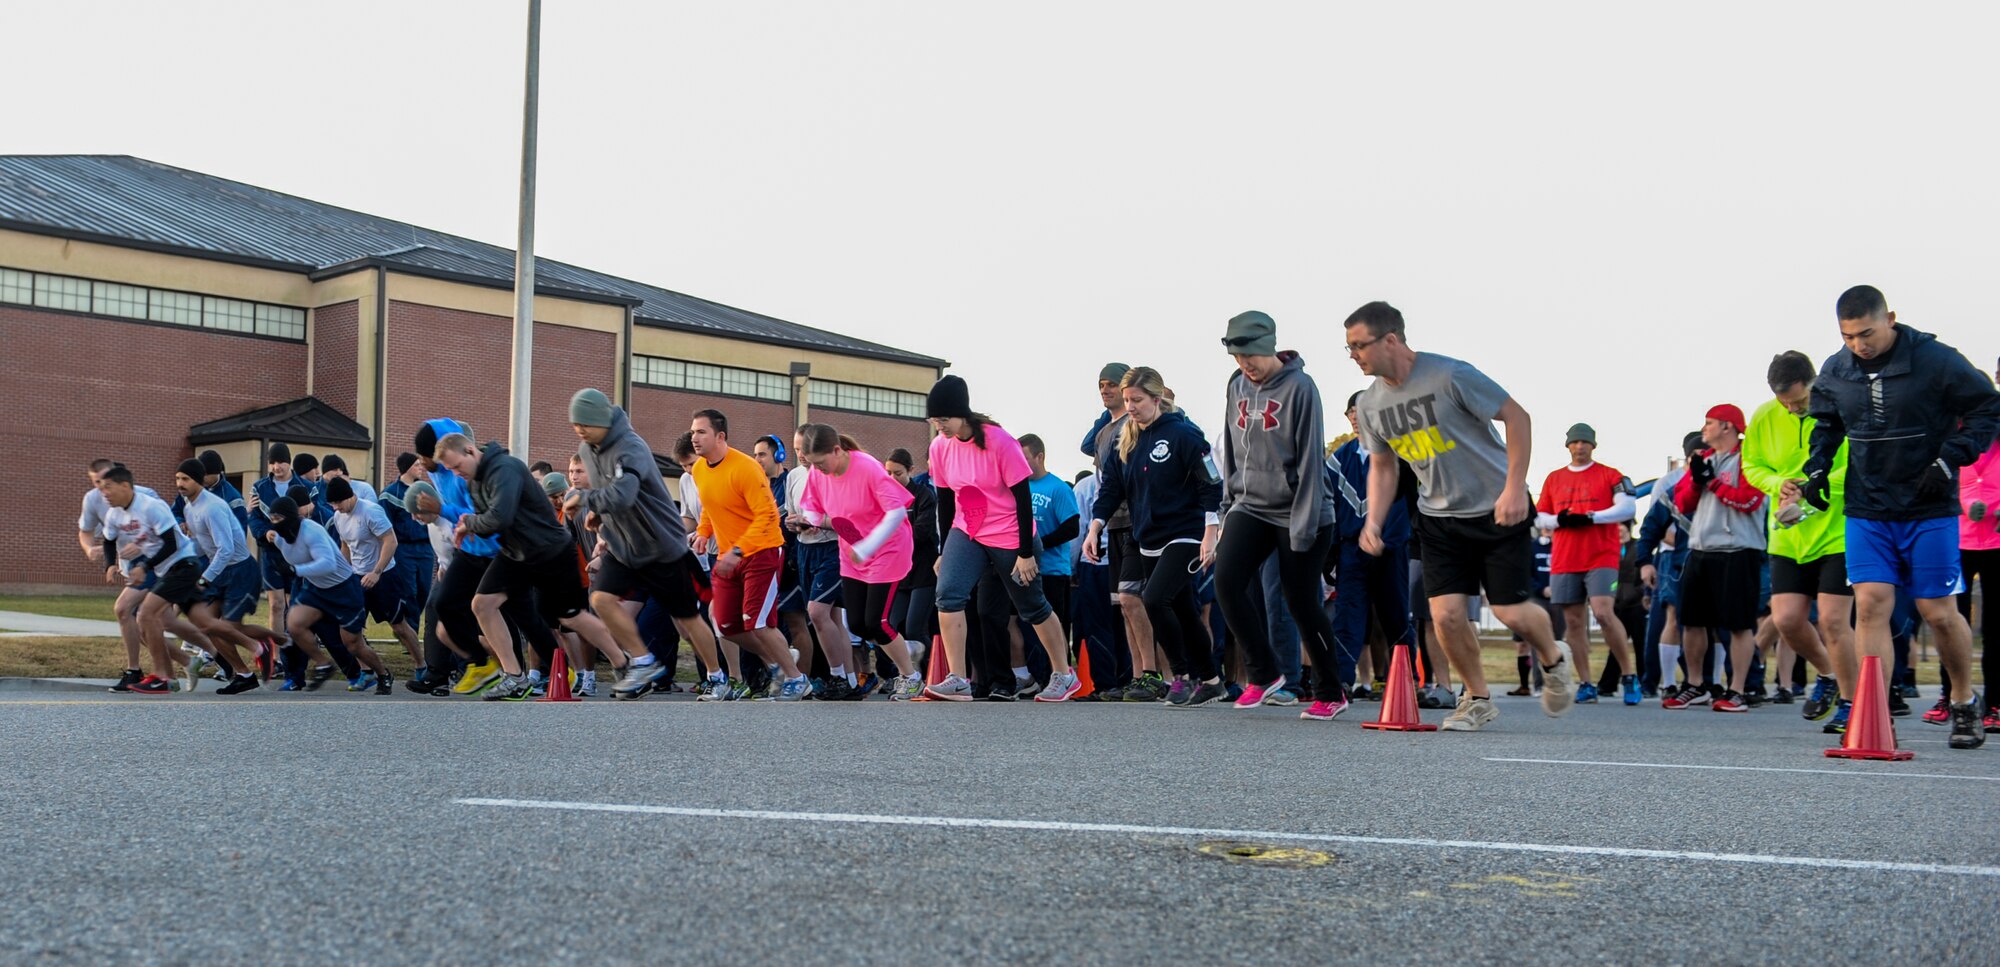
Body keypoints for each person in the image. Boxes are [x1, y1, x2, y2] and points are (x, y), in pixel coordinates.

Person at [1345, 301, 1575, 731]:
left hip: (1497, 509)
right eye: (1349, 349)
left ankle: (1554, 660)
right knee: (1446, 615)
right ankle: (1478, 698)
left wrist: (1514, 487)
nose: (1354, 355)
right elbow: (1383, 466)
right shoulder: (1372, 405)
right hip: (1438, 518)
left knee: (1511, 611)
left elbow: (1516, 417)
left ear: (1390, 339)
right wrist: (1372, 521)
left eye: (1359, 345)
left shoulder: (1450, 375)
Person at [1798, 285, 1999, 749]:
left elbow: (1988, 407)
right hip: (1868, 508)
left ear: (1889, 318)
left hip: (1928, 505)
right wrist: (1817, 467)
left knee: (1939, 613)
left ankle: (1965, 702)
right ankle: (1874, 711)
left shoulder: (1937, 360)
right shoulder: (1837, 369)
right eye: (1848, 337)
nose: (1858, 345)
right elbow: (1827, 424)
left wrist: (1952, 459)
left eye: (1866, 333)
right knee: (1869, 605)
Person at [1212, 310, 1351, 715]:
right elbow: (1233, 451)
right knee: (1227, 582)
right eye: (1237, 358)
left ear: (1268, 347)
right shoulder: (1236, 385)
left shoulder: (1301, 388)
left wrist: (1304, 528)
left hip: (1300, 511)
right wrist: (1227, 506)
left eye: (1250, 357)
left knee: (1301, 602)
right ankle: (1263, 674)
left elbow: (1311, 460)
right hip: (1251, 504)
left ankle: (1330, 692)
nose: (1245, 366)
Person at [920, 375, 1082, 701]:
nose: (940, 426)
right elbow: (946, 501)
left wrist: (1026, 552)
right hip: (966, 531)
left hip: (1010, 534)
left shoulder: (999, 441)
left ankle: (1064, 675)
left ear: (962, 413)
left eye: (945, 419)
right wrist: (943, 550)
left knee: (1032, 606)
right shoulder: (939, 447)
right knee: (948, 594)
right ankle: (958, 678)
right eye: (934, 420)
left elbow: (1022, 497)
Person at [1085, 367, 1235, 710]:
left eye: (1137, 400)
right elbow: (1111, 488)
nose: (1131, 407)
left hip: (1184, 534)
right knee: (1183, 609)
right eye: (1127, 401)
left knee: (1153, 599)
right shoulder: (1127, 439)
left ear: (1156, 399)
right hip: (1145, 536)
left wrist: (1211, 531)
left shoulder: (1184, 434)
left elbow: (1211, 483)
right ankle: (1212, 680)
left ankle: (1179, 677)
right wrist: (1095, 525)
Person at [564, 388, 726, 700]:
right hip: (624, 548)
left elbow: (624, 494)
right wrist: (598, 512)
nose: (580, 430)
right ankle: (641, 661)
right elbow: (607, 491)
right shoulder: (587, 450)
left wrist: (586, 500)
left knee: (687, 621)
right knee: (600, 599)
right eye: (575, 425)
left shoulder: (631, 447)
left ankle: (717, 676)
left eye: (585, 423)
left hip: (661, 547)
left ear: (602, 420)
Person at [437, 431, 616, 701]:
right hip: (516, 553)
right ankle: (515, 677)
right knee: (482, 604)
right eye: (449, 469)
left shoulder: (505, 468)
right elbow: (489, 522)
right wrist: (470, 526)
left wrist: (471, 523)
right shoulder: (475, 482)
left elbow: (500, 516)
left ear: (471, 452)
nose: (455, 473)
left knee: (569, 617)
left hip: (549, 551)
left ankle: (625, 663)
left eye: (457, 466)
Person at [1740, 351, 1852, 725]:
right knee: (1786, 620)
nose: (1792, 409)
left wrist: (1812, 486)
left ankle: (1853, 703)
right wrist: (1778, 484)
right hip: (1788, 534)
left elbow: (1857, 466)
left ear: (1814, 382)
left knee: (1834, 622)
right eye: (1784, 403)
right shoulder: (1763, 415)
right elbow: (1751, 465)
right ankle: (1829, 675)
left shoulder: (1841, 406)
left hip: (1837, 531)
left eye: (1800, 401)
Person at [792, 422, 926, 698]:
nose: (817, 470)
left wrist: (868, 547)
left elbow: (897, 513)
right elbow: (812, 506)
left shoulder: (867, 468)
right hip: (852, 551)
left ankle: (911, 676)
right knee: (857, 624)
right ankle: (906, 646)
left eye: (820, 463)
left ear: (837, 450)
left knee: (877, 622)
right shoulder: (819, 473)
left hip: (886, 548)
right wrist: (809, 521)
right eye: (812, 465)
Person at [687, 409, 812, 698]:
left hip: (762, 552)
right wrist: (704, 533)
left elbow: (768, 516)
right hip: (728, 558)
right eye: (693, 432)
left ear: (720, 436)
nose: (694, 438)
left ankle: (796, 679)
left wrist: (739, 550)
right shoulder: (699, 469)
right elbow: (710, 506)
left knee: (757, 623)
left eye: (701, 432)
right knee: (726, 625)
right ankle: (778, 661)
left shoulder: (745, 468)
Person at [1662, 405, 1766, 712]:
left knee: (1738, 625)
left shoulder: (1752, 458)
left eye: (1709, 423)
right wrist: (1696, 481)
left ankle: (1737, 690)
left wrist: (1713, 483)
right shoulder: (1703, 459)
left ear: (1727, 427)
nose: (1704, 428)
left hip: (1739, 550)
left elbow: (1749, 500)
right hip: (1701, 548)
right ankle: (1695, 684)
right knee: (1691, 622)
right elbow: (1682, 503)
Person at [1535, 422, 1641, 705]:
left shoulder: (1610, 475)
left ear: (1593, 446)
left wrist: (1591, 517)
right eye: (1575, 442)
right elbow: (1539, 516)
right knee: (1573, 621)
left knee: (1604, 612)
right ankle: (1585, 682)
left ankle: (1628, 675)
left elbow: (1627, 507)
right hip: (1566, 556)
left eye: (1585, 442)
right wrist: (1561, 520)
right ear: (1567, 446)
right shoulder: (1554, 478)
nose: (1580, 447)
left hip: (1601, 554)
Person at [1082, 361, 1163, 700]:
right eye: (1101, 385)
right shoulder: (1105, 431)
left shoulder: (1140, 426)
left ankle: (1156, 673)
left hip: (1139, 522)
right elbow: (1095, 459)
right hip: (1113, 523)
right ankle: (1136, 676)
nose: (1106, 390)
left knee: (1138, 599)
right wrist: (1095, 524)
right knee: (1122, 603)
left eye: (1112, 384)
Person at [260, 494, 390, 692]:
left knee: (353, 645)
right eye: (272, 520)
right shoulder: (279, 538)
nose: (274, 525)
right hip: (315, 589)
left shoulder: (312, 530)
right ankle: (323, 664)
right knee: (294, 624)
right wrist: (269, 536)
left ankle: (382, 673)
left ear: (290, 517)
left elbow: (328, 564)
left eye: (278, 519)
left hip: (343, 588)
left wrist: (296, 570)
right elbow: (273, 538)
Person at [97, 465, 208, 694]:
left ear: (125, 485)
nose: (103, 492)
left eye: (108, 486)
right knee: (148, 621)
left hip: (174, 564)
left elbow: (170, 542)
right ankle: (181, 666)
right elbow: (108, 540)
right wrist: (109, 565)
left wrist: (144, 566)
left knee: (135, 613)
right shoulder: (113, 511)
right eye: (99, 486)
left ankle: (152, 673)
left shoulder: (149, 503)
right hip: (152, 568)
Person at [174, 458, 266, 694]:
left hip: (240, 571)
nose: (180, 484)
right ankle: (244, 674)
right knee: (206, 624)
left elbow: (225, 549)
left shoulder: (212, 507)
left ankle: (263, 645)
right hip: (221, 570)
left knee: (226, 626)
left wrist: (205, 579)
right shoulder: (189, 506)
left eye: (186, 479)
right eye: (178, 478)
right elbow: (202, 545)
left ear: (199, 480)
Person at [781, 431, 857, 697]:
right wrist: (794, 523)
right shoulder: (793, 476)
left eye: (804, 448)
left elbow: (845, 516)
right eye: (796, 448)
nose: (801, 454)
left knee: (817, 612)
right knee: (831, 617)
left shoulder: (830, 472)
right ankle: (850, 680)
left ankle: (838, 675)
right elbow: (792, 513)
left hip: (832, 548)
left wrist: (816, 520)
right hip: (804, 548)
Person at [325, 475, 417, 683]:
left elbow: (390, 541)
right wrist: (343, 573)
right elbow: (346, 545)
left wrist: (376, 572)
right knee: (350, 632)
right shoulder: (339, 517)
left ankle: (421, 665)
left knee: (399, 626)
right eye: (332, 504)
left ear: (349, 496)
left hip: (384, 576)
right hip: (357, 578)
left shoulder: (371, 511)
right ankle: (369, 672)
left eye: (338, 502)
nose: (336, 508)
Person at [1953, 361, 2000, 732]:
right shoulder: (1952, 429)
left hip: (1997, 538)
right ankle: (1950, 696)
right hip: (1958, 538)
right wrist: (1965, 503)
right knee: (1950, 619)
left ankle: (1995, 703)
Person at [1016, 434, 1079, 698]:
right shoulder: (1019, 487)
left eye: (1026, 459)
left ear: (1039, 457)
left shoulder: (1057, 488)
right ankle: (1038, 678)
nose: (1021, 464)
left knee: (1055, 626)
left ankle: (1062, 676)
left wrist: (1037, 545)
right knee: (1027, 628)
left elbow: (1072, 528)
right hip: (1024, 569)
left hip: (1053, 570)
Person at [883, 449, 937, 670]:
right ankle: (905, 673)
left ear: (910, 471)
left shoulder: (924, 495)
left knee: (915, 628)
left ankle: (933, 670)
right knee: (891, 627)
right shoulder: (884, 496)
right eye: (888, 473)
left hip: (923, 571)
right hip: (898, 573)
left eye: (898, 473)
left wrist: (891, 538)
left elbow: (922, 531)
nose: (892, 479)